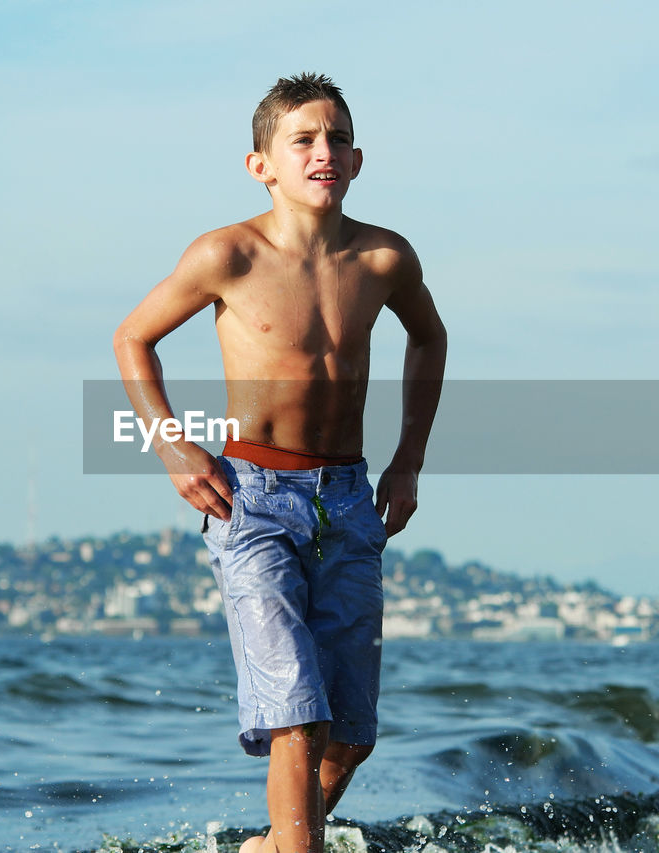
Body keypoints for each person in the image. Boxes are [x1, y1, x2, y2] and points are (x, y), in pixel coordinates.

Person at [113, 72, 446, 853]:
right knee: (298, 714)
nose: (320, 151)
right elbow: (133, 338)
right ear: (261, 163)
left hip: (351, 496)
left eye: (334, 139)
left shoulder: (383, 258)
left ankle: (271, 846)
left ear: (358, 159)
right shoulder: (226, 253)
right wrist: (170, 443)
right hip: (254, 498)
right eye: (302, 139)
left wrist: (409, 461)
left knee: (349, 735)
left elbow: (430, 337)